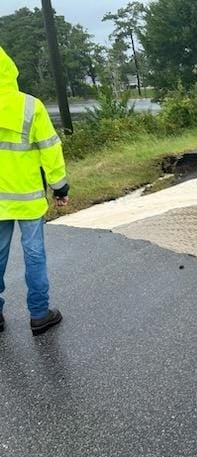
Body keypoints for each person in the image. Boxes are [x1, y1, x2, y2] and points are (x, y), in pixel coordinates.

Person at [0, 46, 69, 335]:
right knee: (35, 255)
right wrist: (60, 186)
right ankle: (40, 314)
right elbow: (50, 148)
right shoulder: (30, 106)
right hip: (28, 199)